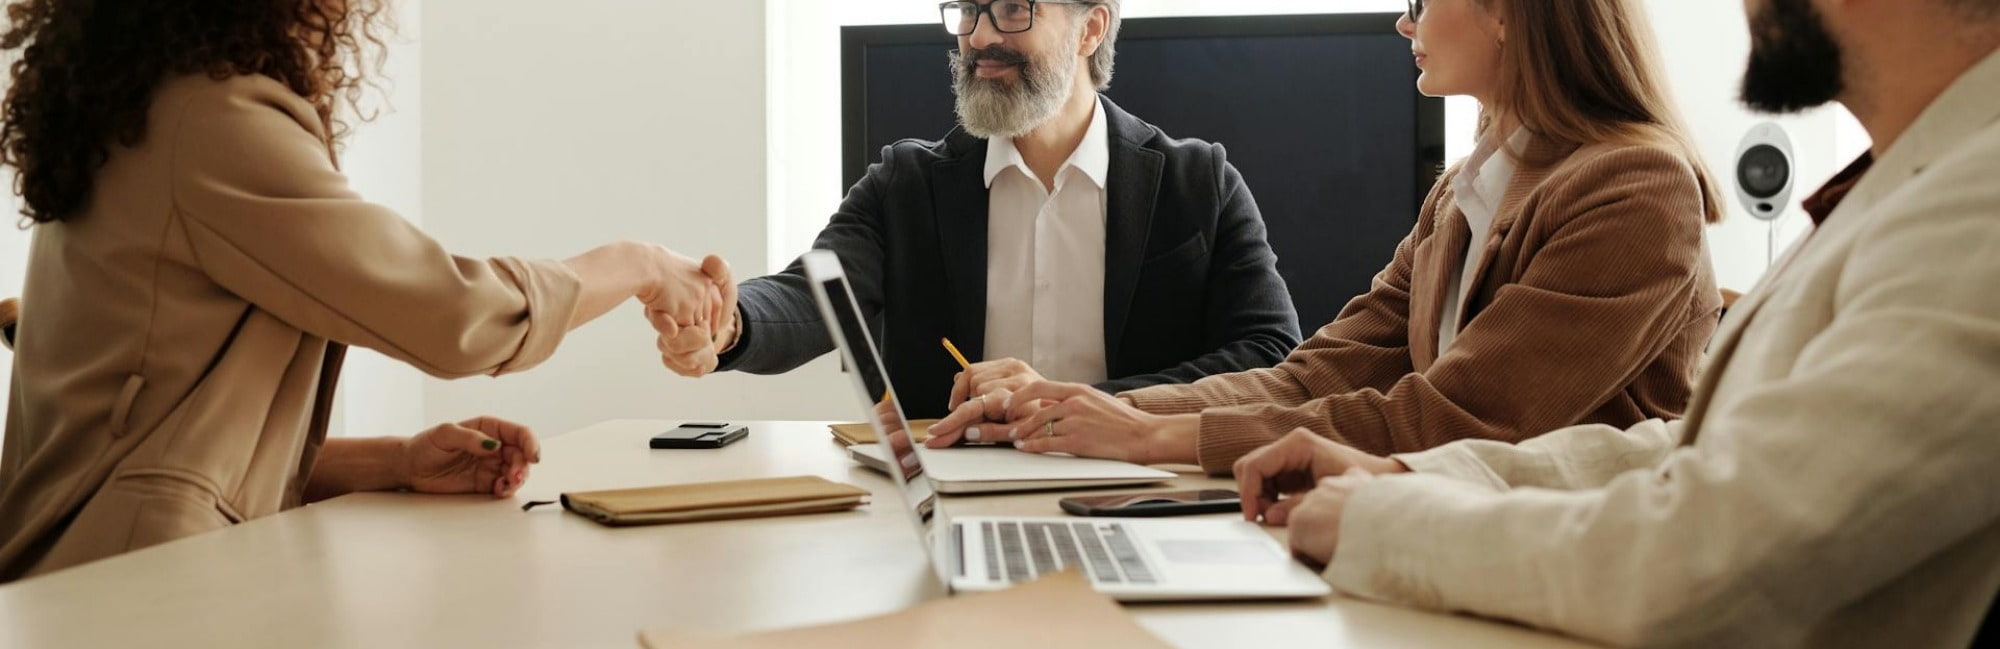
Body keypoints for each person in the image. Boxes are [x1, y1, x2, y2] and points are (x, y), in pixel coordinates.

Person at [1230, 0, 2000, 646]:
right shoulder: (1911, 178)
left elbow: (1710, 552)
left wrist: (1384, 522)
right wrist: (1410, 475)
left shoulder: (1979, 206)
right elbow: (1692, 441)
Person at [0, 0, 733, 581]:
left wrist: (396, 461)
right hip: (136, 589)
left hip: (105, 574)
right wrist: (637, 262)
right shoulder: (209, 121)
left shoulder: (139, 111)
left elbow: (159, 440)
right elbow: (457, 316)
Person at [927, 0, 1724, 474]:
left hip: (1566, 591)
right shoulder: (1463, 192)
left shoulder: (1635, 189)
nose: (1403, 17)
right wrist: (1095, 410)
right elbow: (1311, 376)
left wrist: (1156, 436)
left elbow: (1454, 420)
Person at [659, 0, 1302, 418]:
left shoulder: (1199, 181)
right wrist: (729, 322)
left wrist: (1075, 405)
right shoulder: (907, 181)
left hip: (1141, 489)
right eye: (967, 11)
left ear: (1091, 28)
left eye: (1013, 10)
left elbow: (1272, 351)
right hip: (952, 493)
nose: (981, 37)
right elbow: (811, 296)